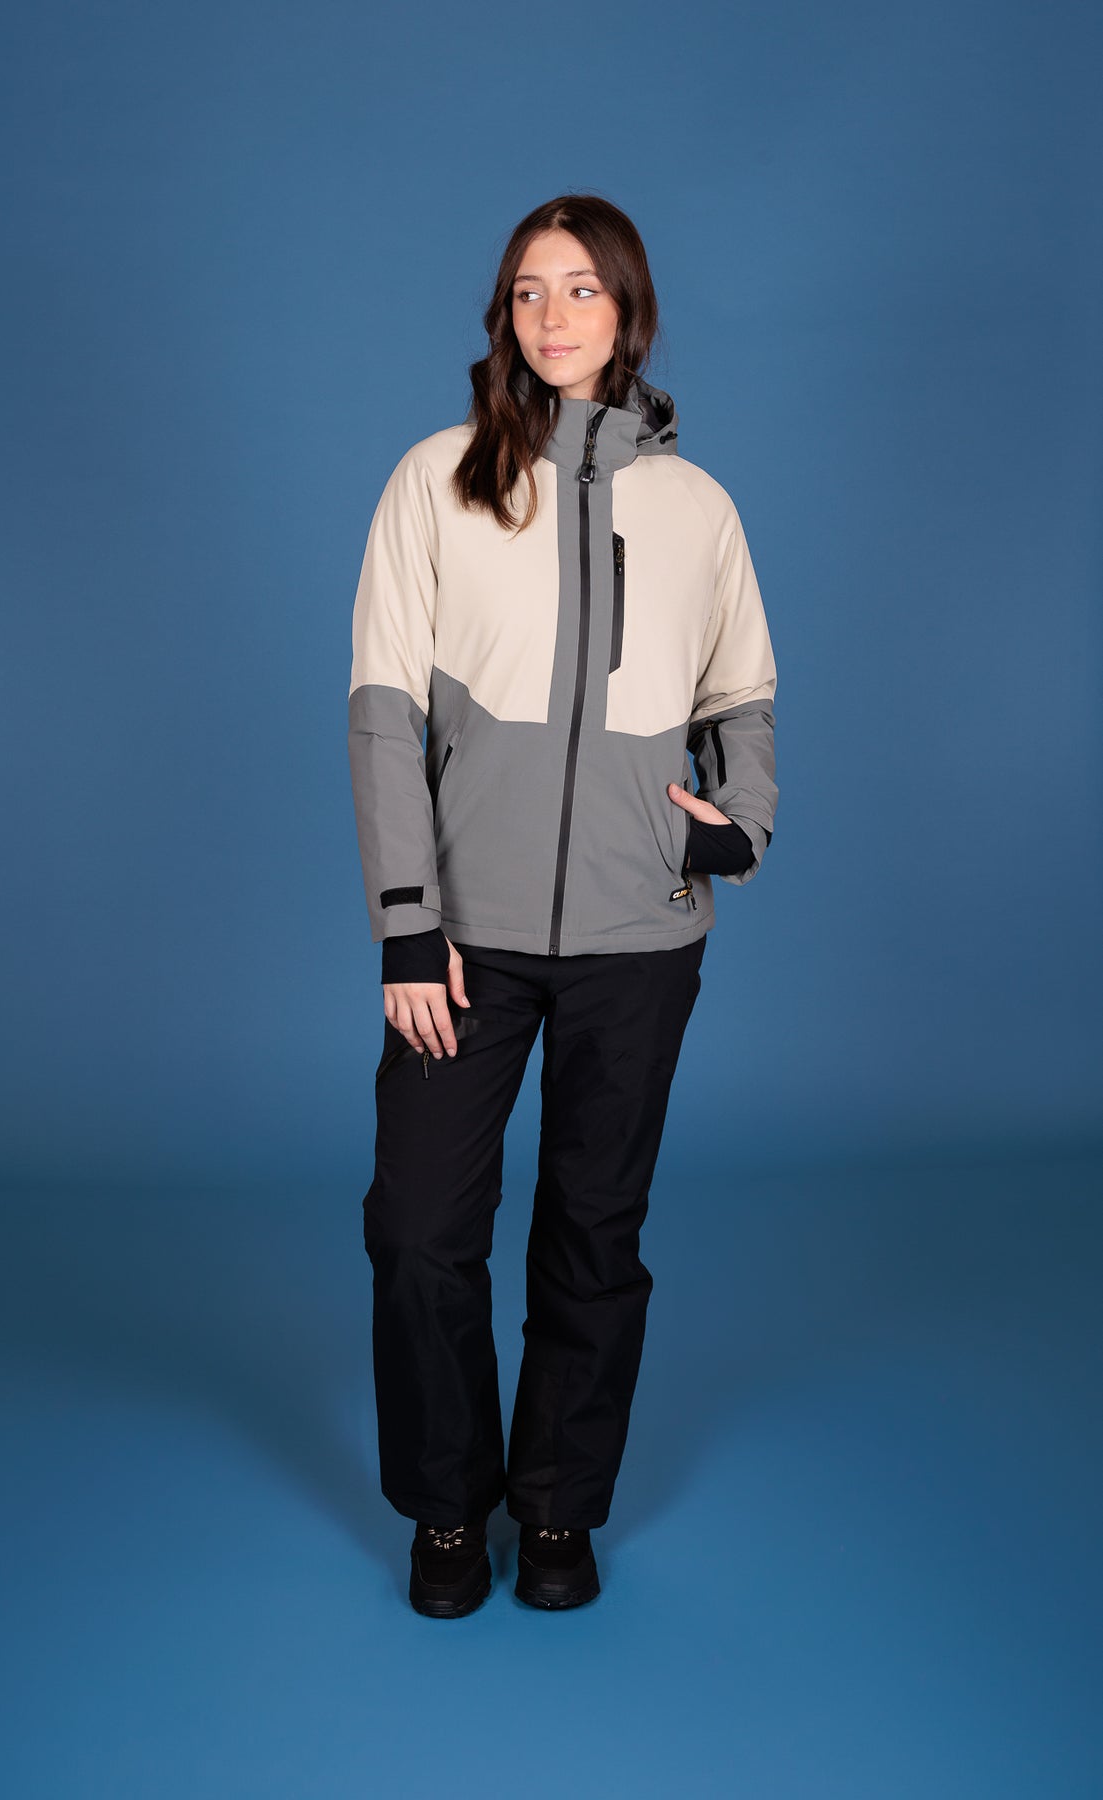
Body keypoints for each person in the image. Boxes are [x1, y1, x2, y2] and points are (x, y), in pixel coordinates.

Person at [347, 193, 778, 1617]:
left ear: (628, 309)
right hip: (460, 943)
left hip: (638, 938)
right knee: (420, 1232)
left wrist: (741, 827)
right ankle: (446, 1508)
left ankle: (555, 1509)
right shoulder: (436, 480)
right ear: (503, 316)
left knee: (595, 1233)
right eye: (528, 291)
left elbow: (742, 696)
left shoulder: (698, 507)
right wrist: (408, 923)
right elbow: (380, 713)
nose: (552, 315)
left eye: (581, 288)